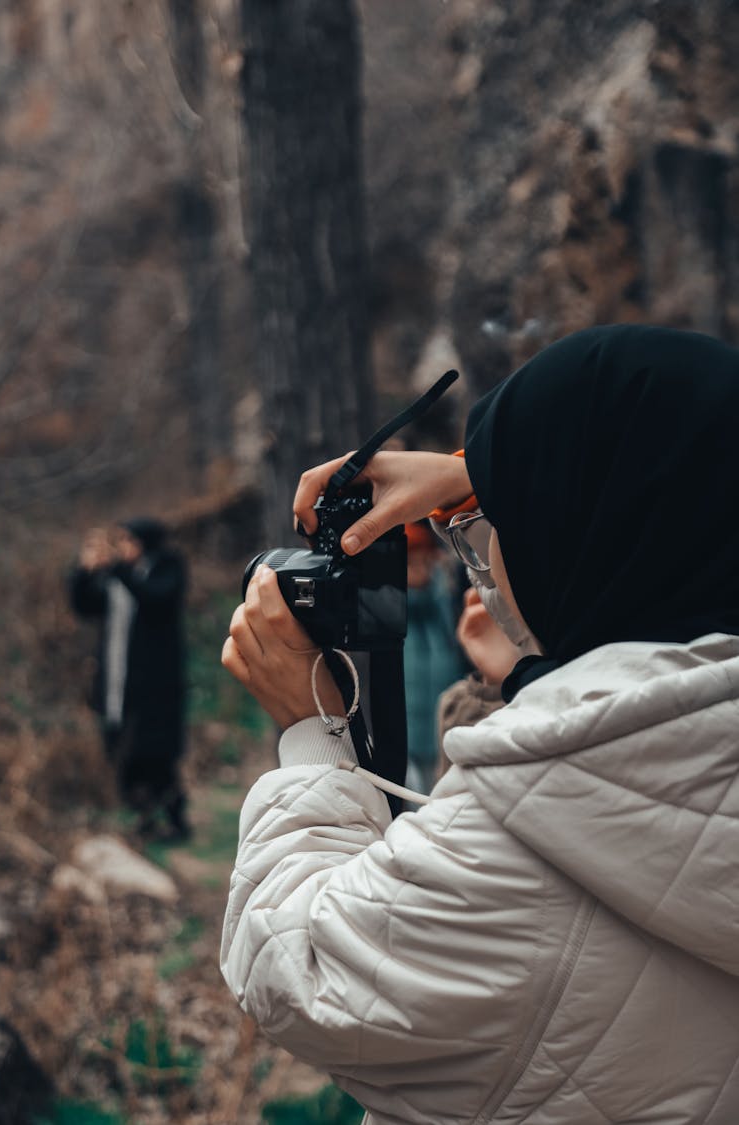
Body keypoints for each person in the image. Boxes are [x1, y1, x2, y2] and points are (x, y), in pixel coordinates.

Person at [220, 325, 739, 1123]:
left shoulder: (519, 837)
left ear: (582, 534)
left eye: (493, 532)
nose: (486, 563)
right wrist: (479, 476)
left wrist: (311, 730)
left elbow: (298, 970)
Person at [69, 518, 190, 839]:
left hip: (156, 685)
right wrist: (85, 571)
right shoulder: (119, 578)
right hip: (117, 681)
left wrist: (118, 569)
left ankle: (175, 819)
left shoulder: (168, 567)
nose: (122, 548)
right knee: (123, 751)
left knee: (155, 754)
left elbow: (156, 598)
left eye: (127, 541)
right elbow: (84, 605)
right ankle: (145, 819)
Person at [402, 520, 463, 795]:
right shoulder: (388, 613)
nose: (419, 567)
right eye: (410, 560)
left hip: (448, 737)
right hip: (407, 742)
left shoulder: (446, 602)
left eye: (423, 558)